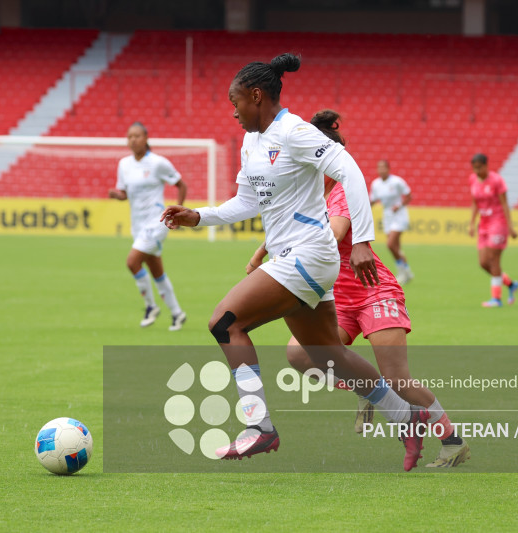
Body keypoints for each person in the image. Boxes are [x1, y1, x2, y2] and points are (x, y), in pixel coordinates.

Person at [160, 54, 430, 471]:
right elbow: (247, 202)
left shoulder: (294, 132)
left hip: (307, 254)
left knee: (225, 323)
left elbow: (350, 172)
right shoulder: (252, 143)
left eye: (236, 102)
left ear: (256, 96)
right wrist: (199, 216)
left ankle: (259, 426)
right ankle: (406, 416)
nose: (233, 112)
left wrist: (362, 240)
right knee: (328, 355)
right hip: (297, 258)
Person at [247, 110, 469, 468]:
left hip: (373, 291)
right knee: (299, 355)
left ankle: (452, 442)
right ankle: (368, 388)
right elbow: (294, 226)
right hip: (338, 298)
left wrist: (277, 256)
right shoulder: (308, 192)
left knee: (399, 380)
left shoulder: (343, 191)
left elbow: (333, 234)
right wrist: (263, 250)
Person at [109, 122, 188, 330]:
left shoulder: (157, 163)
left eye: (137, 136)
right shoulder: (124, 164)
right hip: (138, 225)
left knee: (132, 262)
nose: (133, 140)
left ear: (146, 138)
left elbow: (181, 185)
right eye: (129, 136)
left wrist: (178, 211)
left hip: (157, 222)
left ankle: (151, 306)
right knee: (156, 271)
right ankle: (177, 313)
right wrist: (117, 195)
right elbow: (125, 193)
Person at [468, 153, 518, 307]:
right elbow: (475, 203)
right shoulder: (473, 180)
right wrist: (471, 223)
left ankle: (496, 298)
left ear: (486, 165)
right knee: (483, 263)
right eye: (475, 168)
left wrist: (510, 226)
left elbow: (504, 204)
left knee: (493, 259)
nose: (477, 171)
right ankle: (510, 284)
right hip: (483, 224)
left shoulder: (497, 181)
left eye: (479, 168)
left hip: (498, 222)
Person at [370, 160, 414, 284]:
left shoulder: (397, 181)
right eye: (379, 167)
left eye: (383, 167)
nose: (381, 170)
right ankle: (407, 272)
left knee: (390, 244)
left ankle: (402, 273)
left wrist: (399, 206)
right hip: (387, 216)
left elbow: (409, 196)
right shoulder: (376, 184)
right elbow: (372, 200)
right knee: (396, 247)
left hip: (399, 215)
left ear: (388, 169)